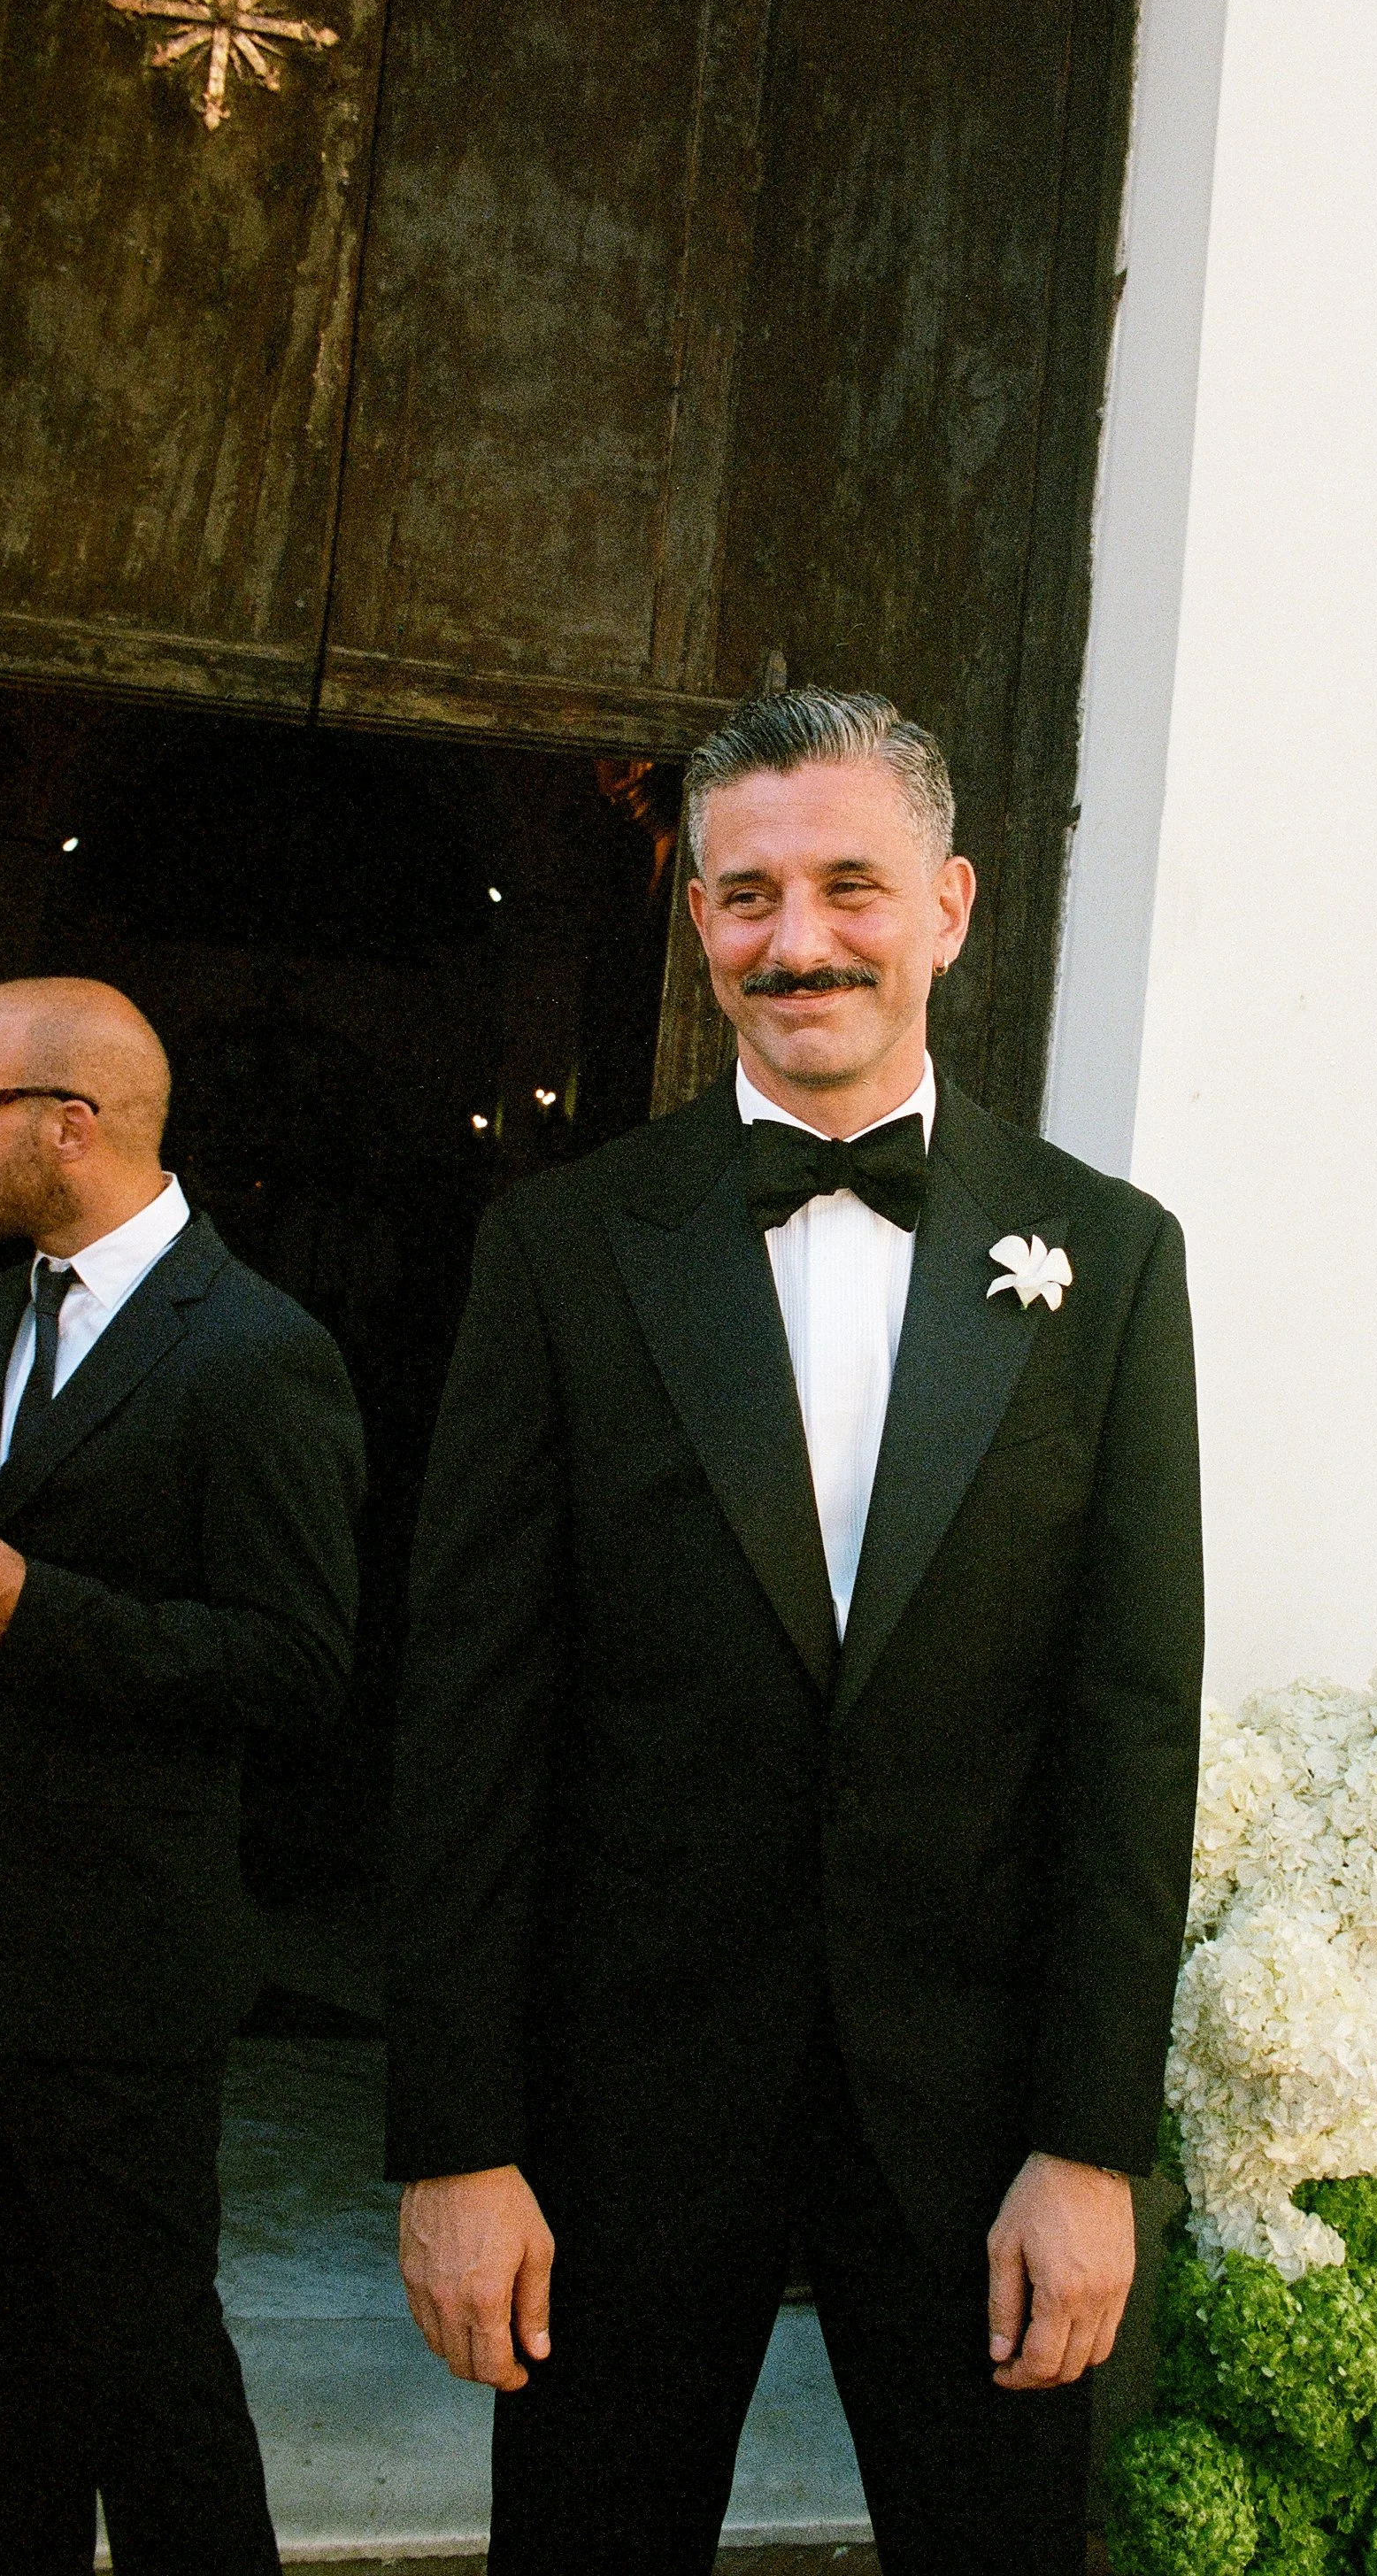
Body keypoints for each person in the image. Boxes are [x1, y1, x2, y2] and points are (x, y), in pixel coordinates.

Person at [386, 690, 1205, 2576]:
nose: (798, 937)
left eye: (850, 882)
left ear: (952, 905)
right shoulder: (562, 1245)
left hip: (978, 2118)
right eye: (744, 892)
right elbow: (468, 1721)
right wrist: (454, 2139)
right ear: (693, 920)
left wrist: (1090, 2146)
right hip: (619, 2109)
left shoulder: (1112, 1257)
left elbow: (1128, 1724)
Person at [0, 978, 365, 2575]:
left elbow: (299, 1665)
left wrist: (35, 1614)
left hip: (120, 1984)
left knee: (153, 2389)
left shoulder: (260, 1352)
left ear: (68, 1126)